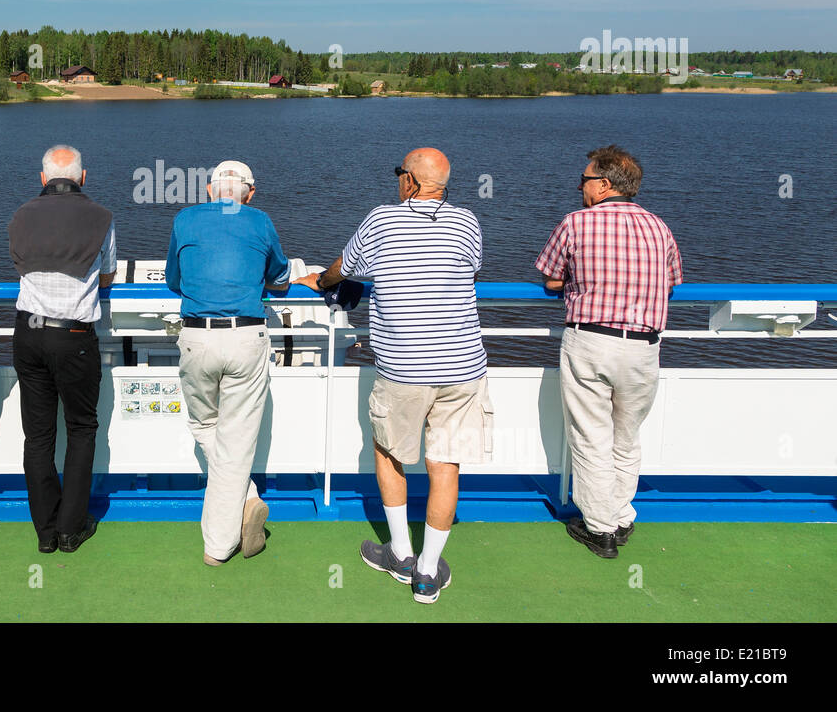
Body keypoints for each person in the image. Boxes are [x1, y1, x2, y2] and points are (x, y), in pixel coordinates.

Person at [297, 147, 490, 604]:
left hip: (404, 366)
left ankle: (401, 555)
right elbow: (472, 269)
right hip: (463, 365)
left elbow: (350, 269)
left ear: (409, 181)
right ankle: (428, 573)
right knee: (444, 465)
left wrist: (321, 282)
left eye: (398, 173)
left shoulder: (382, 219)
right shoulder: (467, 222)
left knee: (390, 454)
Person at [535, 145, 682, 558]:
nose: (579, 186)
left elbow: (549, 279)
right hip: (643, 346)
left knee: (591, 434)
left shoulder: (576, 223)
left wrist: (577, 284)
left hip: (591, 340)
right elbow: (672, 281)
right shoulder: (659, 227)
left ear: (602, 185)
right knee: (627, 435)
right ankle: (620, 517)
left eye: (583, 180)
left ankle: (599, 529)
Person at [165, 160, 288, 566]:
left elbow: (173, 281)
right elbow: (280, 276)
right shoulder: (260, 220)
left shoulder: (185, 219)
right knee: (237, 439)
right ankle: (226, 532)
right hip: (246, 336)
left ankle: (235, 518)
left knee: (204, 425)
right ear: (249, 193)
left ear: (208, 189)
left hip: (197, 337)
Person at [8, 145, 115, 554]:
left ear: (43, 179)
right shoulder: (101, 217)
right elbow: (106, 278)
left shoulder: (20, 216)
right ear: (83, 178)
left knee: (37, 436)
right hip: (73, 336)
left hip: (29, 332)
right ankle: (71, 529)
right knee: (81, 428)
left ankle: (45, 532)